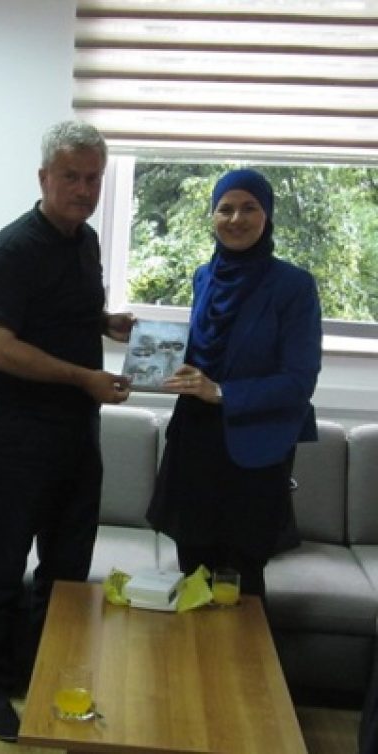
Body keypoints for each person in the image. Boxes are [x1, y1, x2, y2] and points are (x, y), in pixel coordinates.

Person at [0, 120, 133, 742]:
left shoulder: (86, 242)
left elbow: (65, 314)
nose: (83, 189)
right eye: (71, 177)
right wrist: (84, 376)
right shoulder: (12, 249)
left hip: (76, 437)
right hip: (19, 437)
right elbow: (0, 347)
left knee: (66, 573)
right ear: (44, 177)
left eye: (93, 178)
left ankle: (44, 677)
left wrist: (107, 322)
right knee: (3, 568)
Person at [147, 168, 322, 601]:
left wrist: (222, 391)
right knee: (193, 577)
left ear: (267, 215)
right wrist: (150, 354)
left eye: (249, 208)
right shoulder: (203, 277)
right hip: (194, 442)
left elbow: (299, 381)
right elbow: (203, 352)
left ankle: (245, 652)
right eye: (225, 209)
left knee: (240, 587)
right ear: (212, 216)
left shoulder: (294, 286)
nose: (236, 219)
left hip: (254, 453)